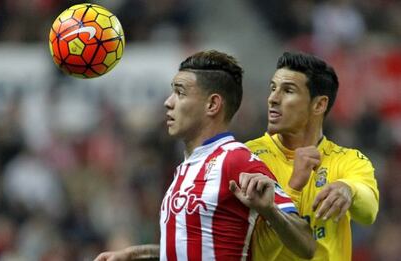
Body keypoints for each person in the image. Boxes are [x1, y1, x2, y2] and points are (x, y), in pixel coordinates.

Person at [94, 50, 316, 261]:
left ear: (212, 104)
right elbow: (189, 249)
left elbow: (307, 244)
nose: (168, 102)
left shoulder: (235, 159)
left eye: (180, 92)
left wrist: (271, 211)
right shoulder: (185, 168)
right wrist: (135, 255)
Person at [246, 51, 379, 261]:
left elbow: (369, 212)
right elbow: (257, 250)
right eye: (273, 89)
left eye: (287, 90)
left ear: (319, 105)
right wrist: (294, 188)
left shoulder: (347, 160)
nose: (273, 99)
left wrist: (348, 189)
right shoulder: (248, 157)